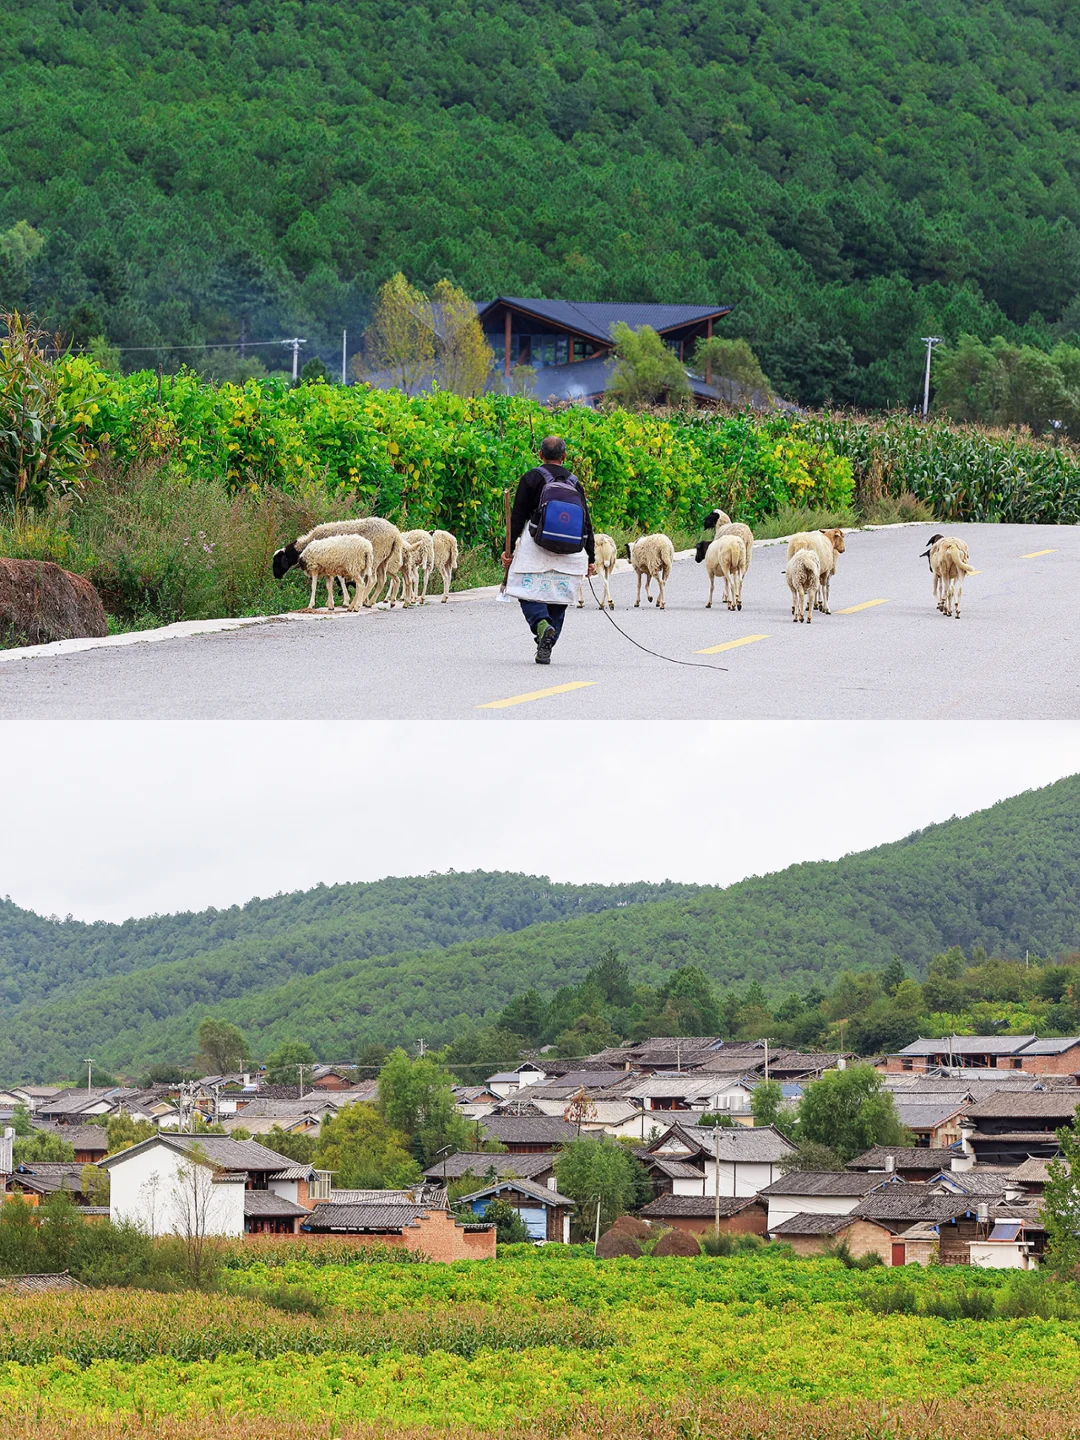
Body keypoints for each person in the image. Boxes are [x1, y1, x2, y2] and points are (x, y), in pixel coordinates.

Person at [501, 436, 596, 665]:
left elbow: (517, 517)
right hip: (570, 550)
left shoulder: (531, 478)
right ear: (564, 456)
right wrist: (590, 557)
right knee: (559, 596)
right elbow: (586, 522)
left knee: (525, 591)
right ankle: (548, 639)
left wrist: (508, 551)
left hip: (536, 547)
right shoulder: (574, 483)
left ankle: (541, 625)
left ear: (540, 455)